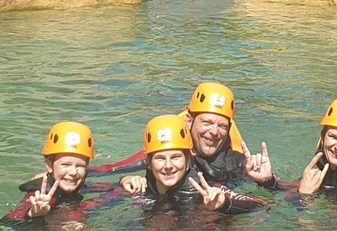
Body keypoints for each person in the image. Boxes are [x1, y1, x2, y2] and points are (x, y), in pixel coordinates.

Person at [117, 82, 281, 193]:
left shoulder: (238, 163)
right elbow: (101, 173)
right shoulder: (168, 153)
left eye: (222, 126)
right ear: (188, 121)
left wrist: (267, 181)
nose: (214, 132)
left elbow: (284, 195)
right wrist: (123, 181)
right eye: (207, 122)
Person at [124, 115, 264, 214]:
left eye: (176, 157)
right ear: (148, 162)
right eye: (160, 158)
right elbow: (104, 195)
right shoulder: (141, 186)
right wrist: (122, 181)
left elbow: (259, 205)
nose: (168, 165)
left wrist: (223, 204)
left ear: (187, 158)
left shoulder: (202, 188)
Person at [0, 121, 96, 224]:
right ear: (49, 165)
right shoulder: (42, 194)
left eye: (80, 166)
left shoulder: (79, 184)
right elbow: (11, 220)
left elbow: (106, 174)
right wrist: (33, 213)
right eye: (65, 165)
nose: (73, 172)